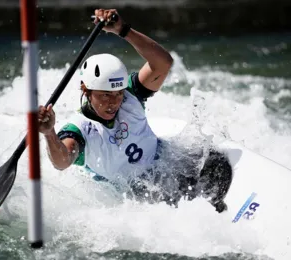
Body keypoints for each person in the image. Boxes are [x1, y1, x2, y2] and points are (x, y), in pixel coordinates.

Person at [38, 9, 232, 212]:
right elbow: (62, 162)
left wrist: (123, 30)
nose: (114, 102)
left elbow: (162, 63)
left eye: (117, 93)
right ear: (87, 91)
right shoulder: (78, 130)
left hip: (165, 164)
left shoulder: (130, 94)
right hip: (134, 196)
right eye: (105, 95)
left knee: (215, 159)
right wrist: (49, 133)